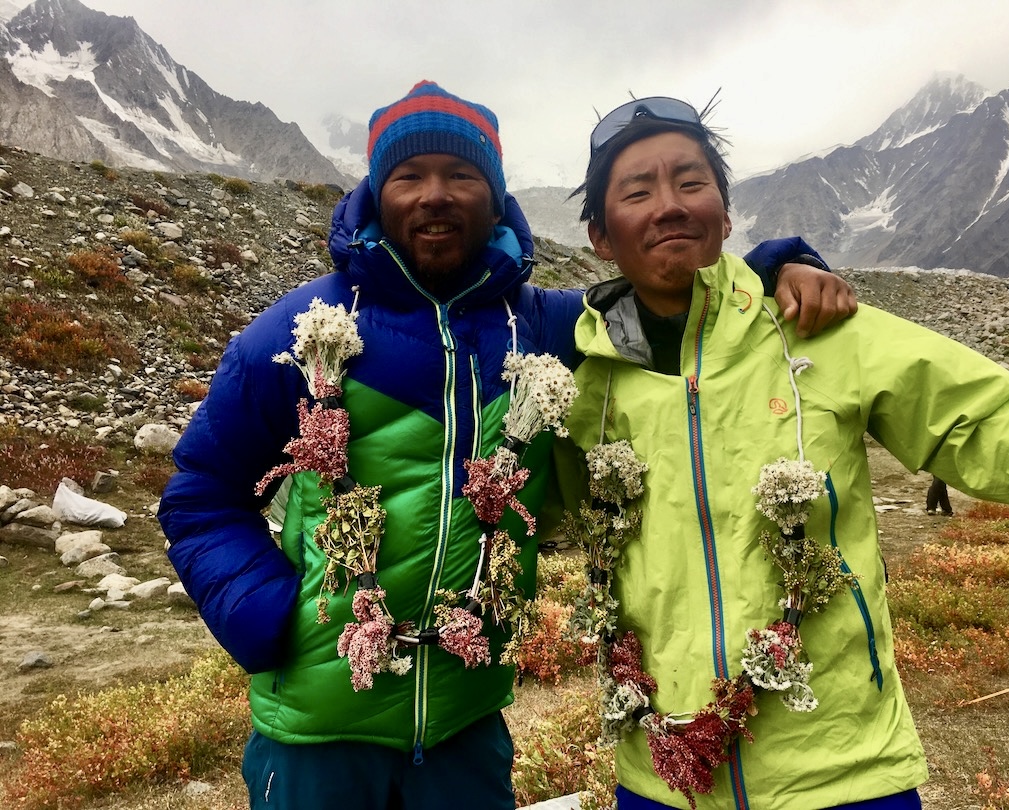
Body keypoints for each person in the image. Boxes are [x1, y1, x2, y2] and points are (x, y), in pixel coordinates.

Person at [157, 81, 855, 810]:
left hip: (466, 729)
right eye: (409, 176)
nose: (436, 195)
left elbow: (668, 300)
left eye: (462, 176)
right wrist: (264, 615)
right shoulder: (304, 328)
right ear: (376, 194)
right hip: (316, 735)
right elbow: (201, 493)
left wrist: (779, 266)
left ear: (494, 200)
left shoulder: (544, 327)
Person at [560, 96, 1009, 810]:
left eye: (690, 182)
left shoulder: (820, 330)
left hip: (842, 772)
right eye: (637, 191)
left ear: (727, 214)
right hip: (662, 780)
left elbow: (999, 429)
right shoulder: (587, 387)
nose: (669, 206)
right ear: (599, 235)